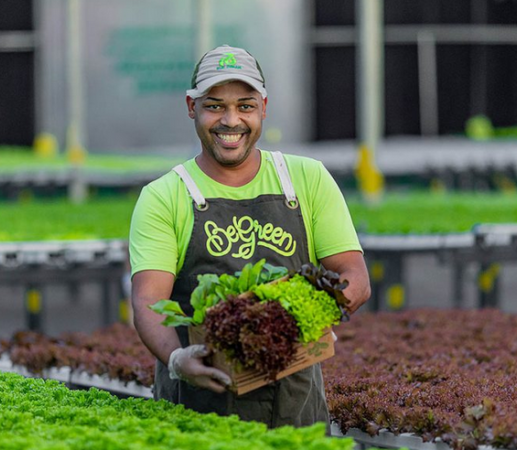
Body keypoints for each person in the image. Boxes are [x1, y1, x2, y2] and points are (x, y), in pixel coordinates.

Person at [129, 44, 370, 430]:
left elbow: (354, 276)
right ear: (191, 106)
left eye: (244, 105)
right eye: (214, 106)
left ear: (263, 106)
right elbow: (148, 301)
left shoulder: (306, 179)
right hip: (198, 415)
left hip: (298, 412)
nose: (230, 120)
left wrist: (307, 318)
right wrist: (177, 360)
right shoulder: (165, 196)